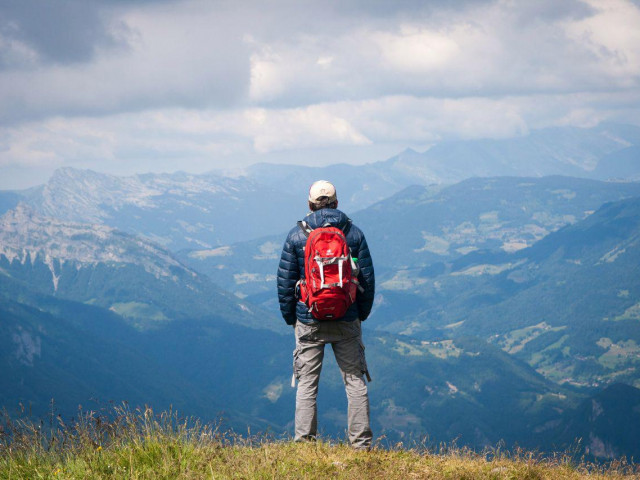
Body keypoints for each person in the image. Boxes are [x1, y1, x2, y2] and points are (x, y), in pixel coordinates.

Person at [276, 180, 375, 450]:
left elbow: (285, 284)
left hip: (309, 319)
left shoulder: (296, 236)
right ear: (337, 204)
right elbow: (367, 279)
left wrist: (292, 318)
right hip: (347, 318)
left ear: (309, 205)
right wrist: (359, 315)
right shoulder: (353, 234)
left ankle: (305, 446)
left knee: (307, 385)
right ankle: (361, 446)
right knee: (355, 382)